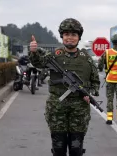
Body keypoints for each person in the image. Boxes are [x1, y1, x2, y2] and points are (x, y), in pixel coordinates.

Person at [29, 18, 100, 156]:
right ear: (62, 36)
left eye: (73, 35)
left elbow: (95, 82)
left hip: (79, 109)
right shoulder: (55, 56)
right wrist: (33, 52)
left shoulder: (86, 58)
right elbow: (39, 63)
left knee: (76, 148)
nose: (70, 38)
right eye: (66, 34)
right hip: (57, 107)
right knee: (58, 147)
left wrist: (89, 93)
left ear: (79, 37)